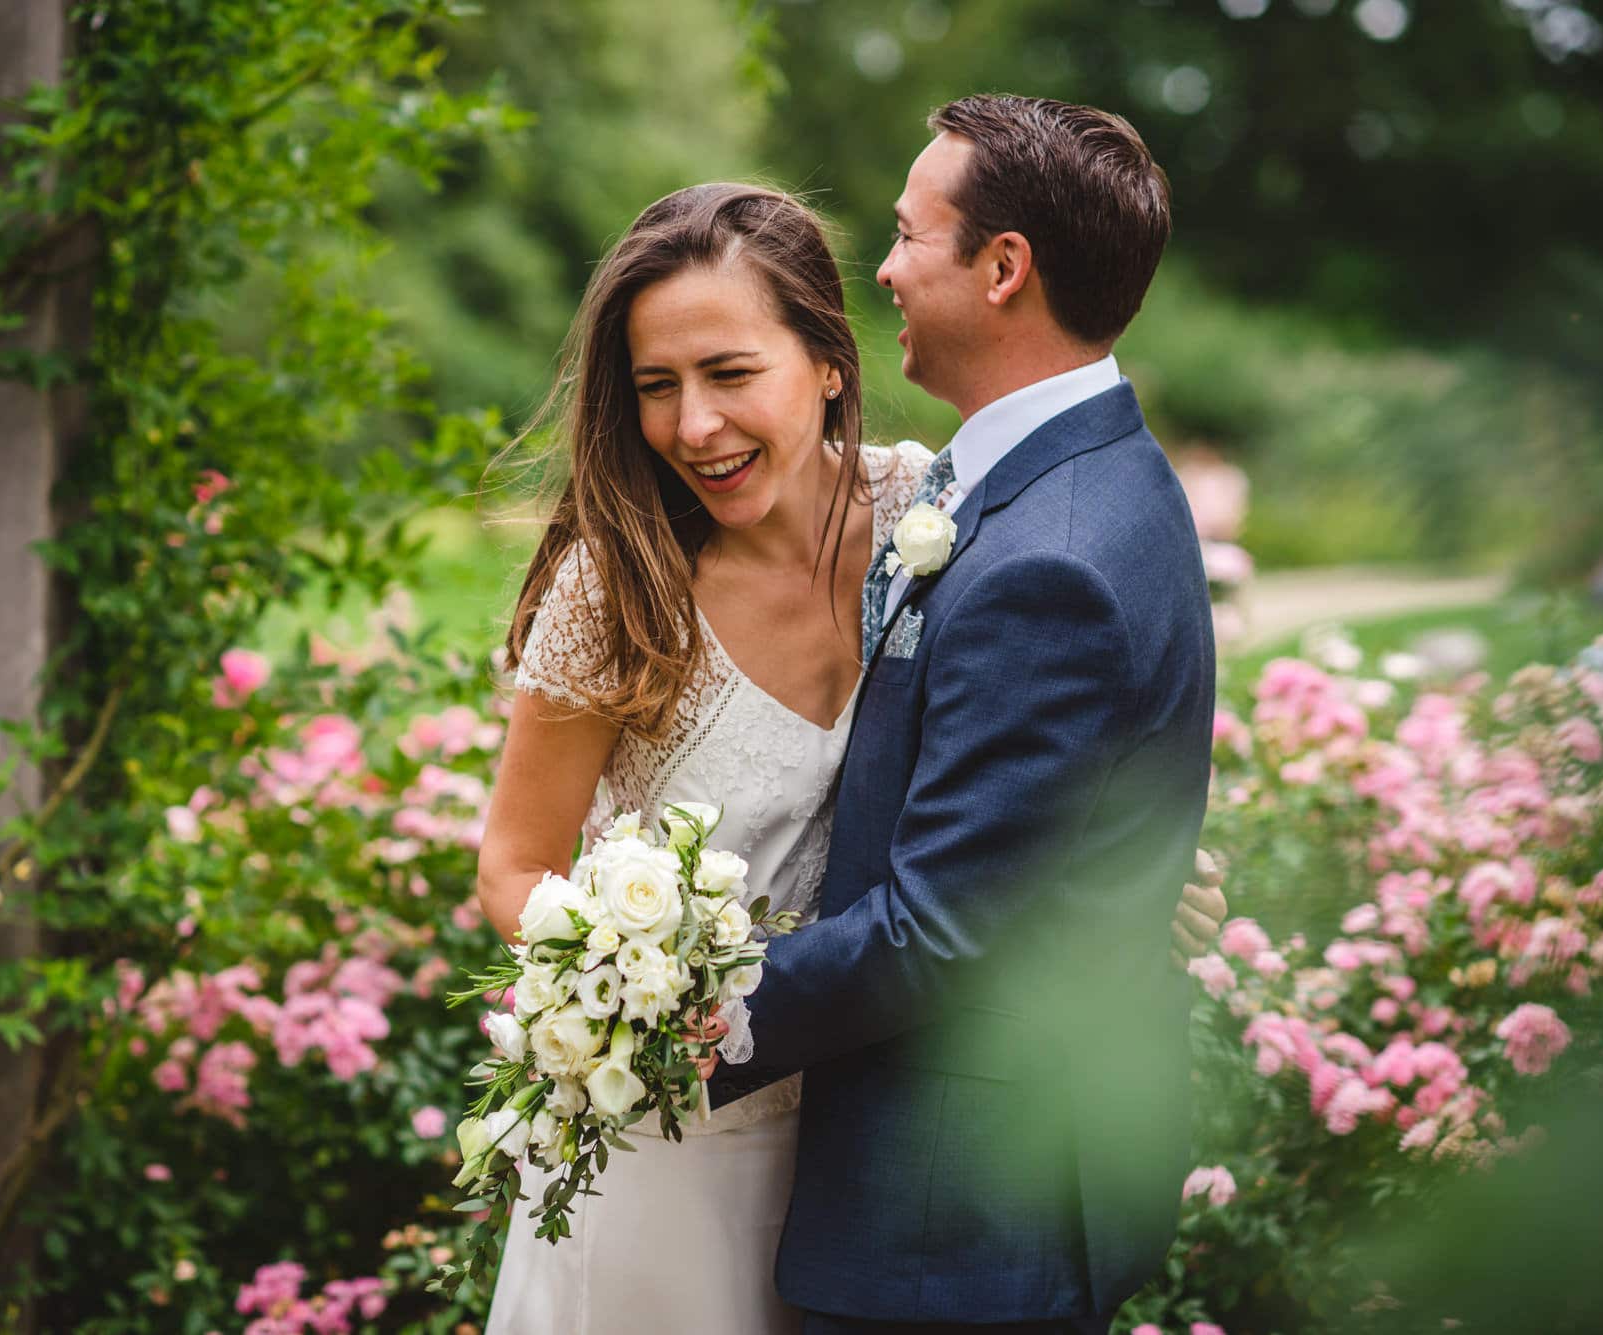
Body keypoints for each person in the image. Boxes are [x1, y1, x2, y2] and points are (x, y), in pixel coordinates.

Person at [477, 130, 1217, 1335]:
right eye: (654, 388)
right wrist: (623, 997)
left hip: (874, 1121)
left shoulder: (932, 511)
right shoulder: (618, 590)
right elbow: (513, 862)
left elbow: (1024, 760)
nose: (691, 425)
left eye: (727, 373)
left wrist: (1097, 879)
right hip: (678, 1126)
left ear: (825, 366)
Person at [703, 96, 1214, 1334]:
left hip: (950, 1218)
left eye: (904, 235)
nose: (877, 270)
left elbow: (936, 931)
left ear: (1001, 268)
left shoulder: (1057, 558)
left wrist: (682, 1014)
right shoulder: (1069, 476)